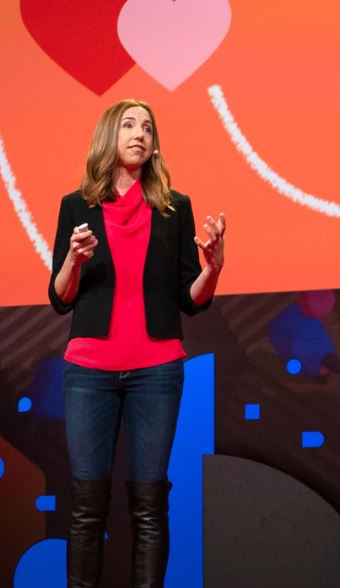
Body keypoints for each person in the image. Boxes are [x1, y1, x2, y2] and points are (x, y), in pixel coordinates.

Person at [49, 99, 225, 587]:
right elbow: (60, 298)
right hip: (89, 370)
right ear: (110, 135)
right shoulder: (76, 206)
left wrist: (213, 269)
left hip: (156, 368)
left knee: (150, 503)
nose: (140, 134)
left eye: (148, 127)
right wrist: (74, 260)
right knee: (88, 504)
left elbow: (191, 300)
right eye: (129, 125)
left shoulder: (175, 208)